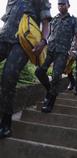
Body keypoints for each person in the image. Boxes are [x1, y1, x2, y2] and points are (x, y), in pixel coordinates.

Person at [0, 0, 52, 139]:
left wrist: (43, 41)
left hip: (23, 41)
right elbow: (6, 19)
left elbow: (46, 23)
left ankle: (6, 124)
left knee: (8, 76)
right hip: (4, 37)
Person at [35, 0, 77, 113]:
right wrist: (42, 44)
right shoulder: (54, 19)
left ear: (68, 6)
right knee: (39, 72)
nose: (60, 6)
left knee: (56, 76)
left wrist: (74, 50)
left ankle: (50, 102)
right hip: (50, 50)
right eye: (59, 4)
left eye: (63, 4)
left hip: (63, 52)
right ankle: (49, 90)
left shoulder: (73, 20)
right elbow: (49, 34)